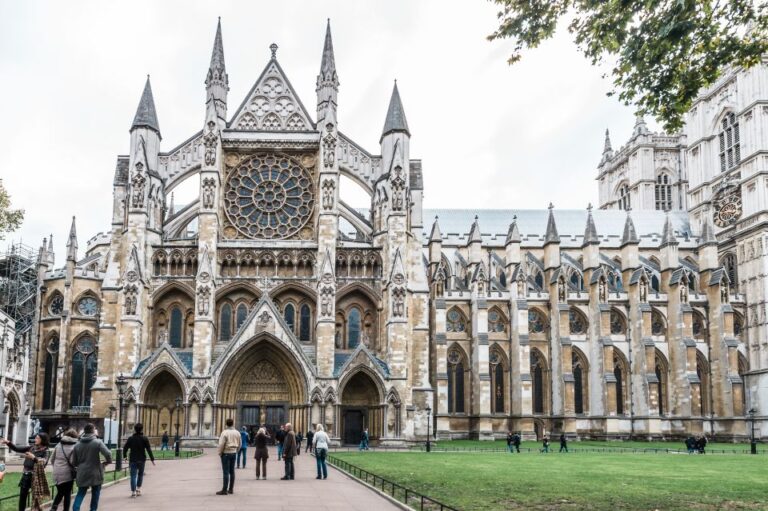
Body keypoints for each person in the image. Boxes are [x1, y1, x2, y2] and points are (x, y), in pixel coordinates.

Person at [3, 432, 50, 511]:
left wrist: (34, 457)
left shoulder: (46, 450)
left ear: (43, 440)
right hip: (26, 475)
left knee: (36, 498)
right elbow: (17, 448)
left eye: (38, 438)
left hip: (36, 476)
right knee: (22, 496)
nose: (35, 439)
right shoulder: (31, 447)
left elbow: (44, 462)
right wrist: (8, 443)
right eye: (36, 438)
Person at [72, 423, 112, 511]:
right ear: (93, 431)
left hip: (82, 472)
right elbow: (108, 453)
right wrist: (107, 462)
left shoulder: (77, 445)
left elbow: (74, 462)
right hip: (95, 472)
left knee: (81, 493)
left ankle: (75, 509)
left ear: (84, 431)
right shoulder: (97, 442)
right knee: (96, 493)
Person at [122, 423, 155, 498]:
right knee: (140, 475)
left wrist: (125, 456)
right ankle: (138, 489)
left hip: (133, 459)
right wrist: (152, 459)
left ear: (134, 429)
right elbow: (148, 449)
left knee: (133, 476)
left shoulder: (131, 438)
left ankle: (133, 492)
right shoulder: (144, 438)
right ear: (142, 429)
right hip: (141, 460)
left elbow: (125, 448)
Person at [49, 428, 78, 511]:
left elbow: (52, 459)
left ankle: (54, 507)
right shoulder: (74, 446)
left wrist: (56, 467)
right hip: (67, 474)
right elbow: (73, 462)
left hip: (56, 473)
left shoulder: (59, 445)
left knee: (60, 492)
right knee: (67, 494)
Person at [217, 418, 241, 495]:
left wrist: (220, 452)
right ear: (233, 423)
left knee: (226, 472)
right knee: (232, 471)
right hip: (234, 453)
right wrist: (236, 451)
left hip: (226, 453)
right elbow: (240, 444)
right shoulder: (237, 432)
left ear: (226, 424)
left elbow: (221, 444)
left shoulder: (224, 432)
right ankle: (231, 489)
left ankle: (224, 490)